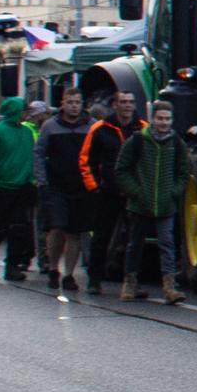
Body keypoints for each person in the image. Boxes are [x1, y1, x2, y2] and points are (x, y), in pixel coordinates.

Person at [112, 99, 195, 303]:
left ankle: (169, 287)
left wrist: (173, 192)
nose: (164, 123)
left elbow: (184, 173)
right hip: (140, 204)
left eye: (167, 119)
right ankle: (130, 283)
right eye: (160, 118)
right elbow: (121, 169)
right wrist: (136, 192)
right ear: (152, 119)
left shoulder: (177, 144)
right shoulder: (138, 141)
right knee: (135, 244)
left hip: (166, 205)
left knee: (167, 244)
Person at [33, 87, 91, 292]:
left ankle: (68, 274)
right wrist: (42, 181)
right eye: (70, 102)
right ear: (63, 104)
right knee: (57, 228)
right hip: (56, 187)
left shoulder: (90, 126)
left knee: (75, 232)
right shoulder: (50, 126)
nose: (74, 106)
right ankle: (53, 267)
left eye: (77, 102)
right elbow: (39, 153)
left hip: (81, 187)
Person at [0, 97, 37, 282]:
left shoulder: (27, 133)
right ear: (15, 111)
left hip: (22, 188)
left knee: (19, 229)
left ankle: (12, 266)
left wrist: (32, 180)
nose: (27, 114)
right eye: (24, 110)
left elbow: (32, 158)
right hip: (0, 189)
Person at [78, 92, 129, 284]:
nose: (127, 106)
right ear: (115, 105)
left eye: (130, 102)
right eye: (123, 102)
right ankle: (94, 277)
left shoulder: (141, 128)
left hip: (132, 192)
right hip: (108, 192)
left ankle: (129, 278)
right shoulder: (100, 129)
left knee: (133, 237)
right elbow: (86, 160)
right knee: (102, 236)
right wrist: (94, 187)